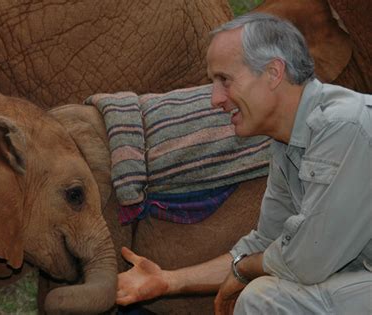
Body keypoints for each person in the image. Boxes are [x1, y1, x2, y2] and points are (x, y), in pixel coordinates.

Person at [116, 12, 372, 315]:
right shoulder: (285, 144)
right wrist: (169, 281)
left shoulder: (343, 125)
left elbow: (309, 261)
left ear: (273, 73)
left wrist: (243, 271)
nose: (215, 98)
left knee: (264, 299)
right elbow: (265, 243)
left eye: (224, 80)